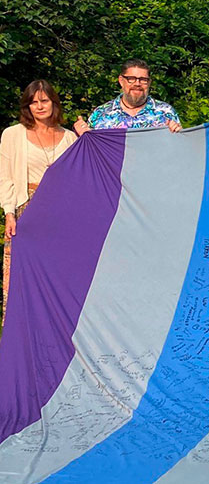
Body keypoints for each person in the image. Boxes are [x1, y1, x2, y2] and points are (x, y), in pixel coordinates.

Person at [1, 80, 78, 323]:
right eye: (33, 102)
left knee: (57, 274)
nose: (39, 106)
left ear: (53, 103)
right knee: (21, 274)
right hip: (27, 212)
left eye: (44, 100)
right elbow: (5, 177)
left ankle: (53, 330)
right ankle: (18, 330)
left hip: (61, 215)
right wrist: (9, 213)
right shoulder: (13, 134)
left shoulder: (70, 138)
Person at [74, 60, 181, 134]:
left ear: (149, 83)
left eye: (143, 79)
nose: (137, 84)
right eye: (131, 78)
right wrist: (82, 135)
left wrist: (178, 134)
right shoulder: (101, 114)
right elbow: (90, 153)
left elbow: (178, 150)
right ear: (121, 80)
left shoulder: (166, 112)